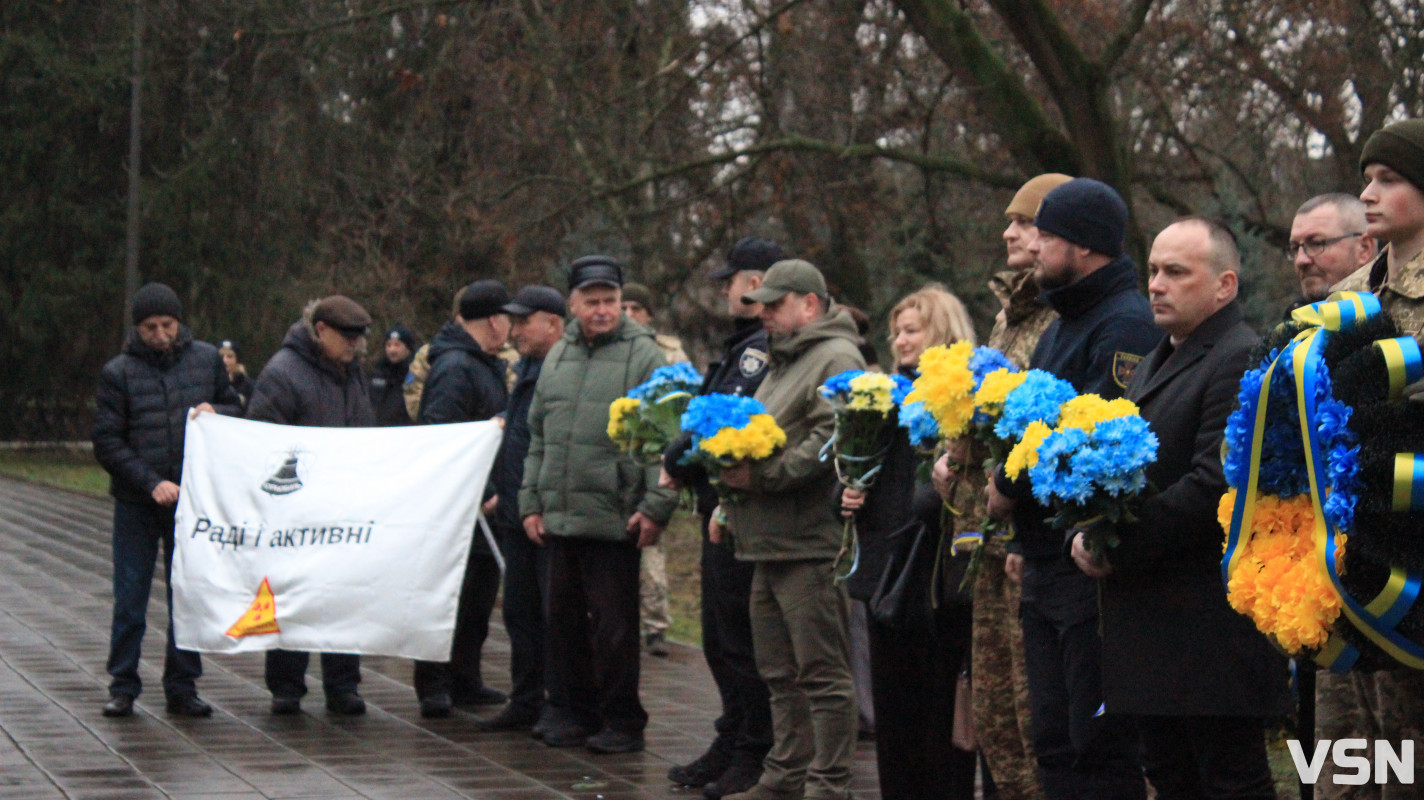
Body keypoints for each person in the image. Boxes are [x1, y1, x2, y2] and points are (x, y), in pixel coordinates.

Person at [1070, 217, 1289, 799]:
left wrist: (1115, 546)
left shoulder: (1240, 357)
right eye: (1153, 271)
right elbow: (1127, 475)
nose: (1157, 285)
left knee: (1229, 781)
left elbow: (1216, 483)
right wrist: (1092, 523)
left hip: (1210, 629)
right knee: (1171, 778)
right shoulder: (1157, 358)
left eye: (1176, 272)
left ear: (1224, 286)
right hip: (1156, 627)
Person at [985, 177, 1162, 799]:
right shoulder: (1063, 323)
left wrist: (1008, 483)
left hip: (1085, 571)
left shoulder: (1124, 328)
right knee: (1054, 740)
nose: (1032, 248)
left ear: (1083, 246)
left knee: (1098, 746)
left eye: (1046, 236)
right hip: (1042, 561)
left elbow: (1095, 449)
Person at [714, 259, 866, 800]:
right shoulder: (785, 359)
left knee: (822, 675)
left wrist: (759, 478)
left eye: (777, 305)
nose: (766, 315)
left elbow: (829, 443)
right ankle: (784, 776)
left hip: (807, 544)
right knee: (778, 672)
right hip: (769, 541)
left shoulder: (835, 358)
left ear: (810, 304)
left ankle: (827, 785)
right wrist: (729, 498)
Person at [939, 172, 1069, 800]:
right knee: (996, 722)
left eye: (1025, 222)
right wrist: (952, 457)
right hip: (983, 539)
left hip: (1027, 544)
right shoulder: (1008, 313)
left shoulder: (1061, 317)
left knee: (1035, 718)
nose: (1007, 232)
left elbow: (1050, 432)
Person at [518, 255, 679, 754]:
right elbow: (538, 437)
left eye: (611, 300)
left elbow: (666, 438)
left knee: (614, 630)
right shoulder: (558, 358)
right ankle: (573, 712)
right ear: (572, 305)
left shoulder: (644, 356)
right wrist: (531, 501)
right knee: (562, 623)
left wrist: (655, 507)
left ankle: (622, 720)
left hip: (615, 517)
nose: (604, 310)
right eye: (593, 302)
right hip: (561, 514)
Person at [839, 285, 978, 800]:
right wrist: (848, 491)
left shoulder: (963, 398)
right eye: (896, 331)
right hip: (884, 570)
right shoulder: (884, 394)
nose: (899, 340)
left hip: (936, 574)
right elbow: (864, 470)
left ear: (940, 331)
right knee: (893, 711)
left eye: (912, 330)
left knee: (936, 713)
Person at [1325, 117, 1424, 797]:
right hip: (1350, 551)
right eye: (1366, 180)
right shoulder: (1346, 296)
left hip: (1418, 552)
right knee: (1347, 755)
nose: (1369, 193)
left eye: (1388, 179)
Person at [662, 236, 781, 799]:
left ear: (754, 285)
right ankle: (732, 737)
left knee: (741, 639)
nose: (725, 290)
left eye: (730, 280)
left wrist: (675, 456)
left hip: (738, 511)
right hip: (718, 507)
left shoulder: (758, 348)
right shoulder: (744, 343)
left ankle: (753, 748)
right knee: (720, 637)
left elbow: (731, 415)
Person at [92, 282, 240, 718]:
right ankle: (123, 684)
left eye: (168, 325)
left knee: (188, 595)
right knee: (131, 595)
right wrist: (149, 482)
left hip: (191, 503)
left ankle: (182, 685)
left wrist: (222, 413)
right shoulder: (117, 373)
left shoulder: (206, 361)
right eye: (151, 327)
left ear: (179, 323)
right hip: (138, 503)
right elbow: (107, 442)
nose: (160, 335)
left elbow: (236, 411)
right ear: (137, 328)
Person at [246, 294, 376, 716]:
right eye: (348, 336)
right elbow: (263, 441)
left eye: (360, 337)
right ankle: (286, 684)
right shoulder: (282, 373)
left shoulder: (352, 375)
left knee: (343, 596)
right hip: (296, 510)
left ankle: (343, 684)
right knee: (291, 595)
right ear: (321, 331)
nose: (355, 345)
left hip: (342, 506)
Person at [410, 281, 512, 718]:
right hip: (461, 508)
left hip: (480, 506)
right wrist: (483, 491)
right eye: (509, 317)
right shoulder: (456, 367)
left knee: (476, 597)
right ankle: (434, 684)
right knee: (449, 596)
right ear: (493, 321)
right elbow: (444, 436)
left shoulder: (481, 364)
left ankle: (465, 679)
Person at [476, 285, 567, 734]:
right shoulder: (527, 366)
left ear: (553, 322)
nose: (513, 331)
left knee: (553, 617)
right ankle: (526, 699)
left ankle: (558, 702)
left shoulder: (564, 366)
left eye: (523, 321)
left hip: (545, 516)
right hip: (515, 511)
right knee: (519, 613)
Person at [620, 281, 682, 657]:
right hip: (623, 459)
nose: (628, 315)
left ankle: (656, 625)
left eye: (635, 308)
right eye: (622, 307)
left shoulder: (668, 353)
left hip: (657, 460)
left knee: (652, 556)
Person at [1289, 194, 1377, 306]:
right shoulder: (1294, 321)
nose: (1300, 260)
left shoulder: (1399, 317)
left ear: (1364, 249)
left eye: (1317, 243)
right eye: (1295, 248)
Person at [370, 325, 417, 426]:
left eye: (397, 345)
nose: (392, 350)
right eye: (389, 345)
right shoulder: (376, 374)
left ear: (408, 349)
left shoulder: (416, 375)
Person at [218, 340, 252, 412]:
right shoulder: (211, 382)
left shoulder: (247, 384)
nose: (225, 360)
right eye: (221, 356)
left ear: (237, 360)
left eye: (229, 356)